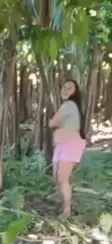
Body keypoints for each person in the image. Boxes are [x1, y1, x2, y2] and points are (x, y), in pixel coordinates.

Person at [49, 79, 86, 218]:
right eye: (64, 87)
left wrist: (53, 122)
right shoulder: (67, 106)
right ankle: (67, 205)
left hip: (71, 144)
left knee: (62, 178)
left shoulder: (69, 105)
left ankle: (67, 211)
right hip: (62, 144)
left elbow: (53, 123)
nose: (65, 89)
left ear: (75, 92)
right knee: (56, 177)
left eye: (70, 87)